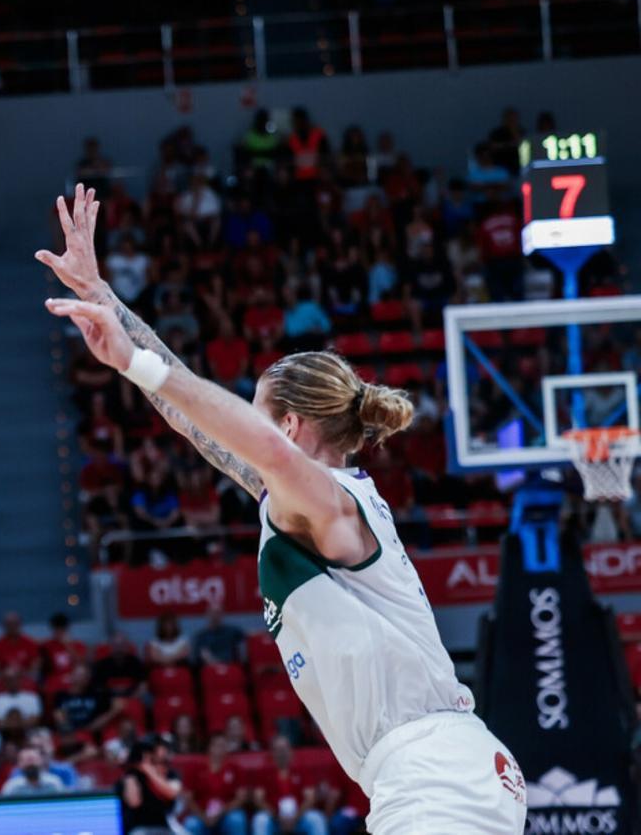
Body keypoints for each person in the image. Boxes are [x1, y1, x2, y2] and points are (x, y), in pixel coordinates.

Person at [39, 183, 527, 835]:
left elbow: (252, 440)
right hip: (430, 769)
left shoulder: (337, 501)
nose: (240, 421)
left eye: (256, 409)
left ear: (291, 426)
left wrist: (137, 364)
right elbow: (196, 423)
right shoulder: (296, 503)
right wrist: (104, 300)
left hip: (438, 771)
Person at [183, 733, 248, 835]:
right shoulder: (194, 768)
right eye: (217, 745)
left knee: (237, 819)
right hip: (201, 814)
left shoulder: (236, 768)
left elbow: (241, 798)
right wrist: (203, 816)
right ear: (209, 747)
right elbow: (188, 798)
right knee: (191, 824)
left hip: (226, 814)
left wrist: (221, 812)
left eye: (223, 746)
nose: (220, 749)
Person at [117, 737, 182, 834]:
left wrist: (149, 770)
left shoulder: (171, 774)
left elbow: (172, 793)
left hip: (167, 827)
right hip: (140, 828)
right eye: (148, 752)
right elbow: (134, 802)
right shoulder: (132, 775)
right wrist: (131, 772)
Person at [0, 746, 65, 796]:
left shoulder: (53, 783)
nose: (31, 764)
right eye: (27, 761)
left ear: (41, 761)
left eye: (33, 760)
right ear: (19, 764)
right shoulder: (12, 787)